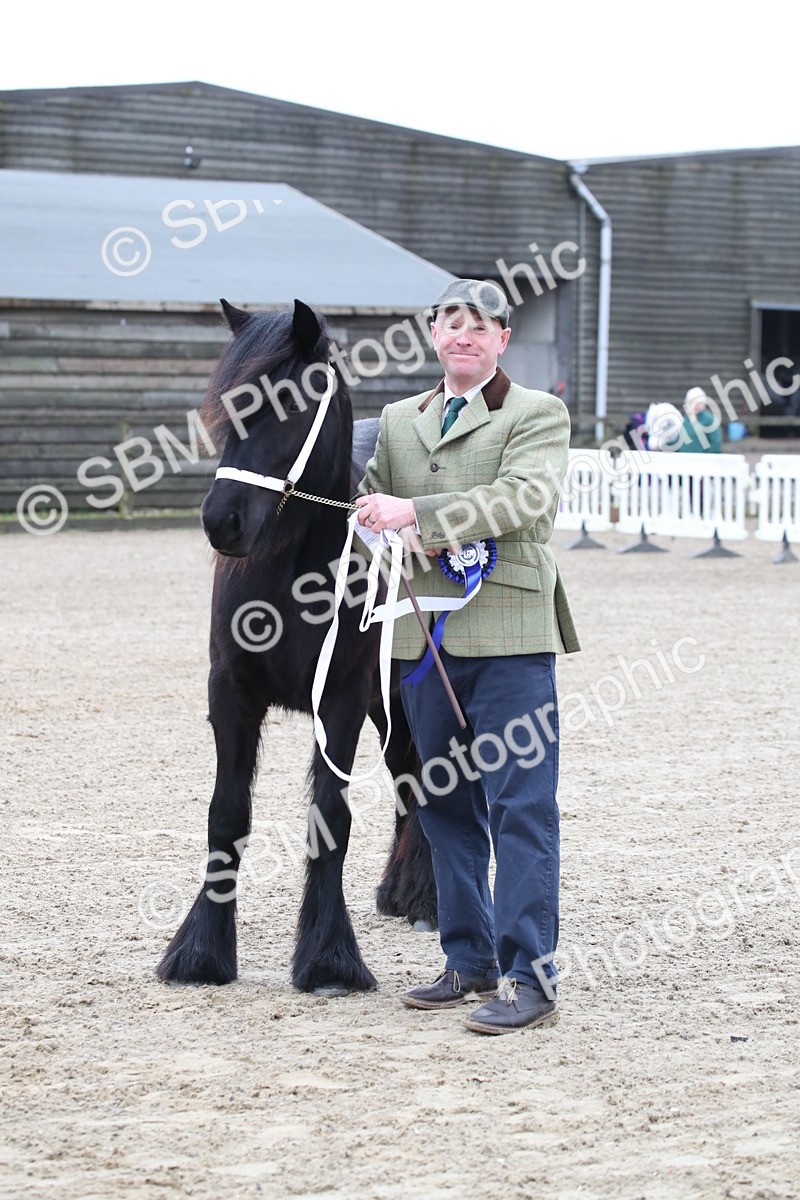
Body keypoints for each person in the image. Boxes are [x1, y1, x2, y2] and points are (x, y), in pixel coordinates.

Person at [356, 279, 580, 1035]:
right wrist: (369, 515)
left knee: (521, 806)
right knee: (443, 807)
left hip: (510, 636)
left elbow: (524, 500)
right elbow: (371, 499)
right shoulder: (397, 420)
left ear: (502, 339)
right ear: (432, 334)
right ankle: (469, 958)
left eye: (480, 326)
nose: (465, 335)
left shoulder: (536, 413)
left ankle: (530, 977)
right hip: (422, 641)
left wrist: (416, 512)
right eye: (452, 323)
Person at [677, 387, 722, 453]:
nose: (695, 405)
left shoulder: (710, 420)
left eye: (698, 403)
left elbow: (716, 443)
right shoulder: (686, 420)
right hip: (684, 460)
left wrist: (708, 459)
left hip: (701, 461)